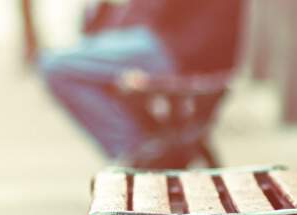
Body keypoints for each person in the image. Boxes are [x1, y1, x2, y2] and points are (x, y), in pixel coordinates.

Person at [39, 0, 245, 163]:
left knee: (56, 66)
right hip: (177, 42)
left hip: (178, 48)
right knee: (67, 63)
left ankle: (133, 151)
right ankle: (141, 150)